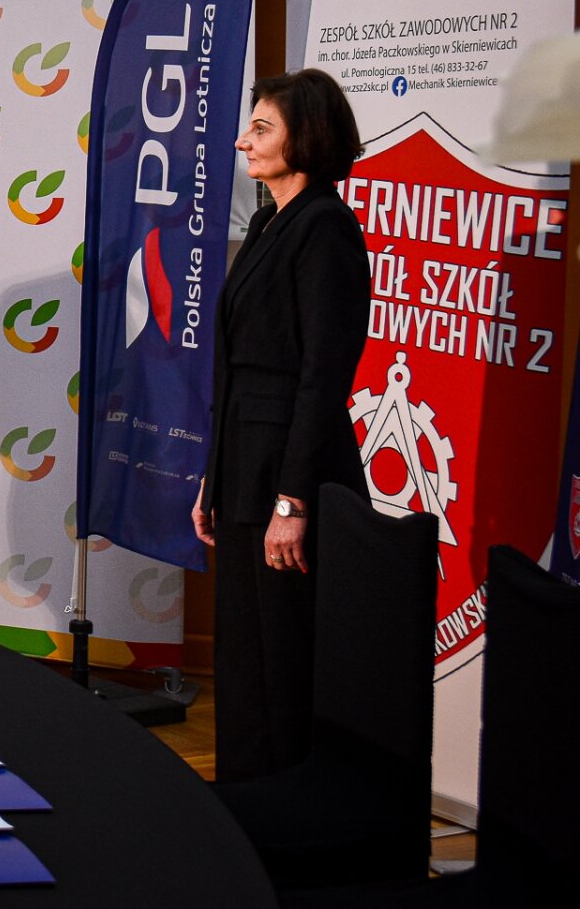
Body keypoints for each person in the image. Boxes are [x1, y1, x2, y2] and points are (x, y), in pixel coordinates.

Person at [194, 67, 369, 782]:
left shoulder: (325, 228)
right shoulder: (271, 220)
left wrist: (292, 501)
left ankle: (287, 812)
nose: (243, 140)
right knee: (242, 656)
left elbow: (323, 375)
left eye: (261, 128)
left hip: (289, 477)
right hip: (244, 469)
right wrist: (213, 476)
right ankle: (242, 810)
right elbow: (237, 366)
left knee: (284, 659)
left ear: (308, 137)